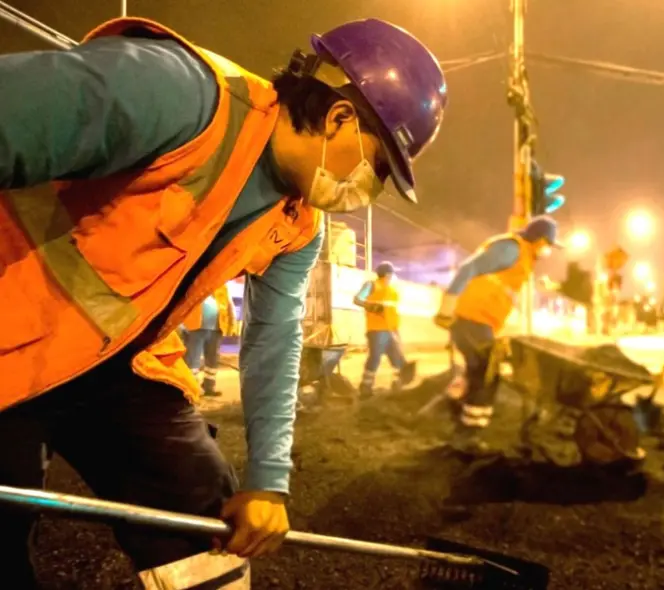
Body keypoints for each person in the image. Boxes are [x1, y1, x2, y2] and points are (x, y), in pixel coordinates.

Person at [0, 16, 447, 588]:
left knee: (204, 516)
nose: (370, 190)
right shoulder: (180, 95)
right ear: (339, 118)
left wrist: (268, 482)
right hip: (11, 332)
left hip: (115, 361)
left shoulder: (297, 225)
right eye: (379, 168)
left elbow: (274, 339)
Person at [433, 216, 560, 455]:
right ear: (540, 240)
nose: (549, 251)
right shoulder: (511, 249)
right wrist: (447, 306)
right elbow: (468, 268)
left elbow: (502, 292)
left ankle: (453, 408)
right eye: (549, 244)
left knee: (478, 371)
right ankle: (466, 435)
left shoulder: (523, 257)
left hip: (481, 321)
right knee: (487, 373)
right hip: (471, 317)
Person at [353, 261, 416, 398]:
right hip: (377, 329)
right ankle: (366, 387)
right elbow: (357, 299)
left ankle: (398, 385)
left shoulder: (392, 290)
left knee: (397, 358)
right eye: (392, 273)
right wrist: (371, 306)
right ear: (387, 274)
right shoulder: (372, 285)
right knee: (375, 357)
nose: (393, 276)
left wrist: (396, 330)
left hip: (392, 329)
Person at [181, 285, 239, 397]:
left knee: (212, 360)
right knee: (192, 360)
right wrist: (182, 326)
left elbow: (229, 306)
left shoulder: (222, 288)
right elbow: (183, 306)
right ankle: (191, 388)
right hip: (195, 328)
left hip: (216, 329)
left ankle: (209, 387)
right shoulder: (194, 286)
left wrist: (232, 325)